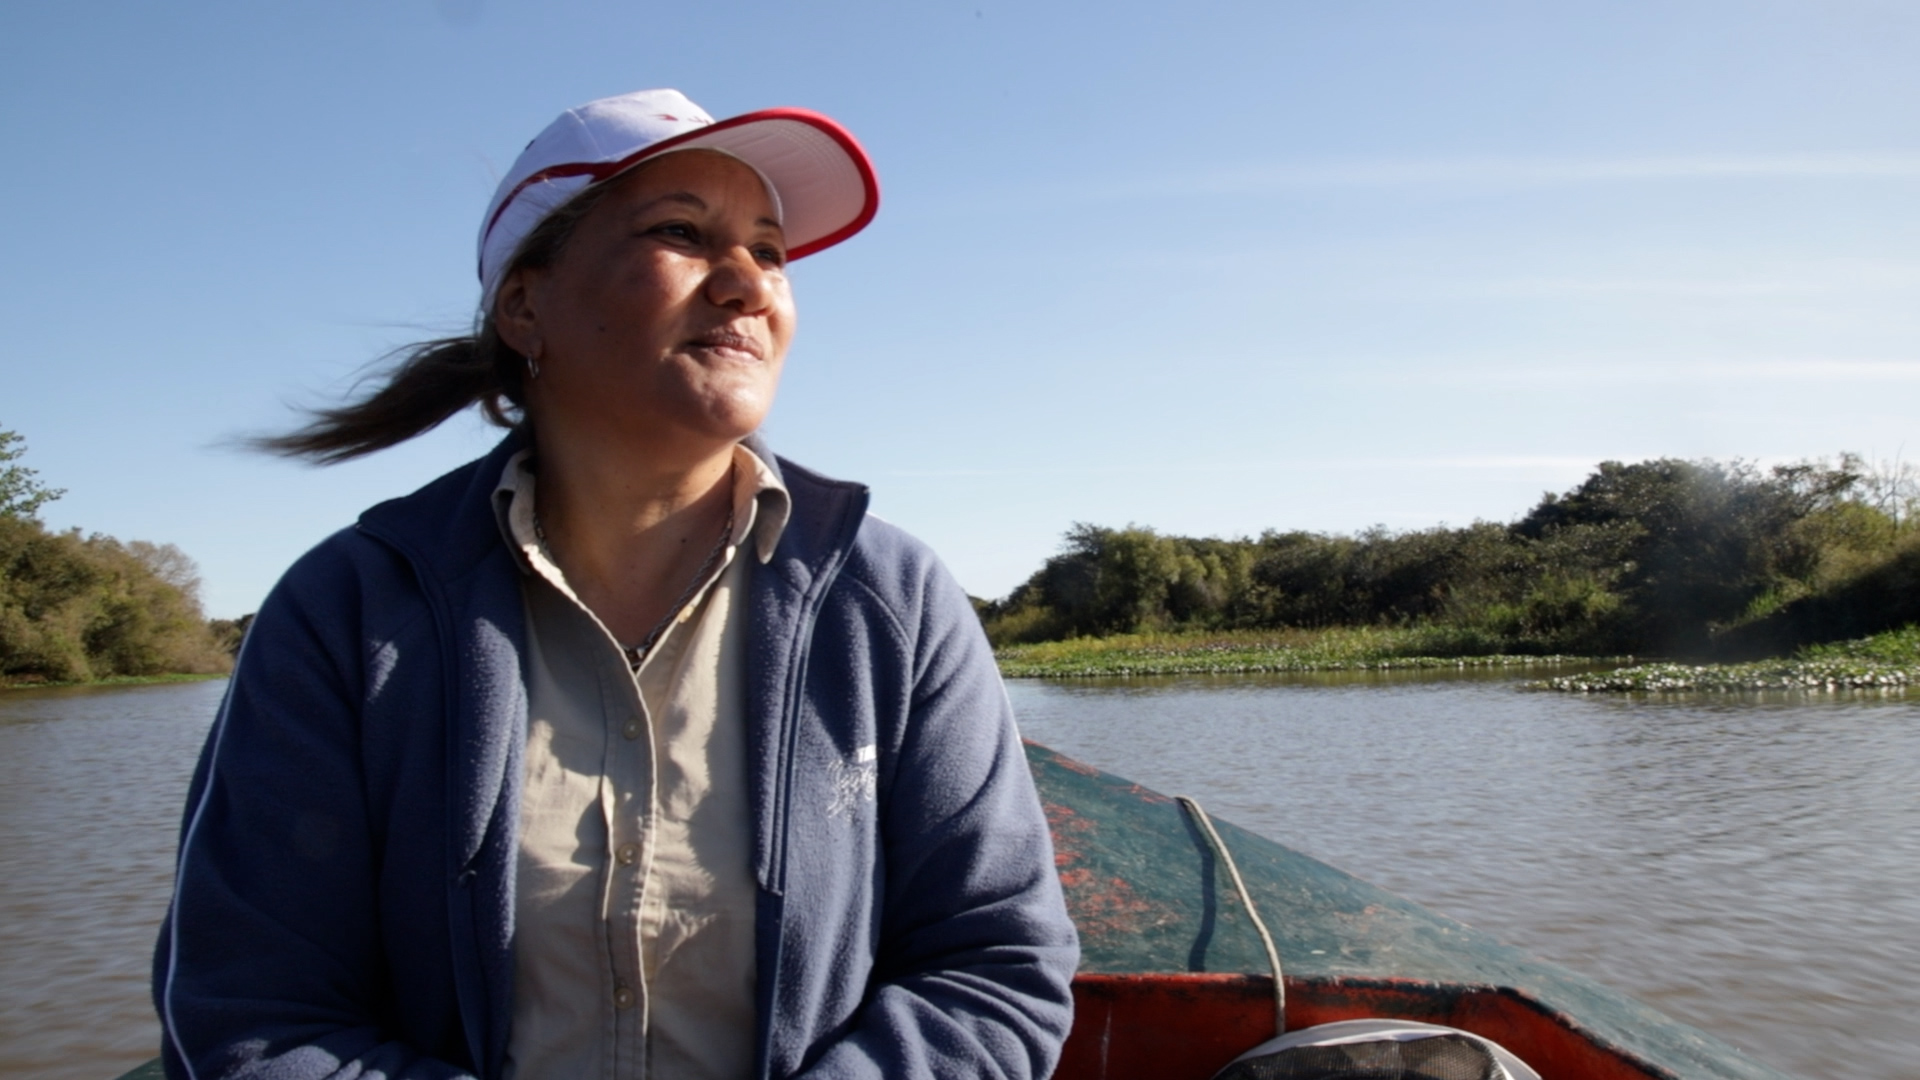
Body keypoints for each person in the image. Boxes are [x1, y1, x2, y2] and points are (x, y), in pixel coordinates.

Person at [152, 88, 1079, 1080]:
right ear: (524, 303)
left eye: (768, 250)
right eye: (682, 233)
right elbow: (252, 1011)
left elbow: (994, 969)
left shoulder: (888, 598)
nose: (747, 285)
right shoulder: (351, 612)